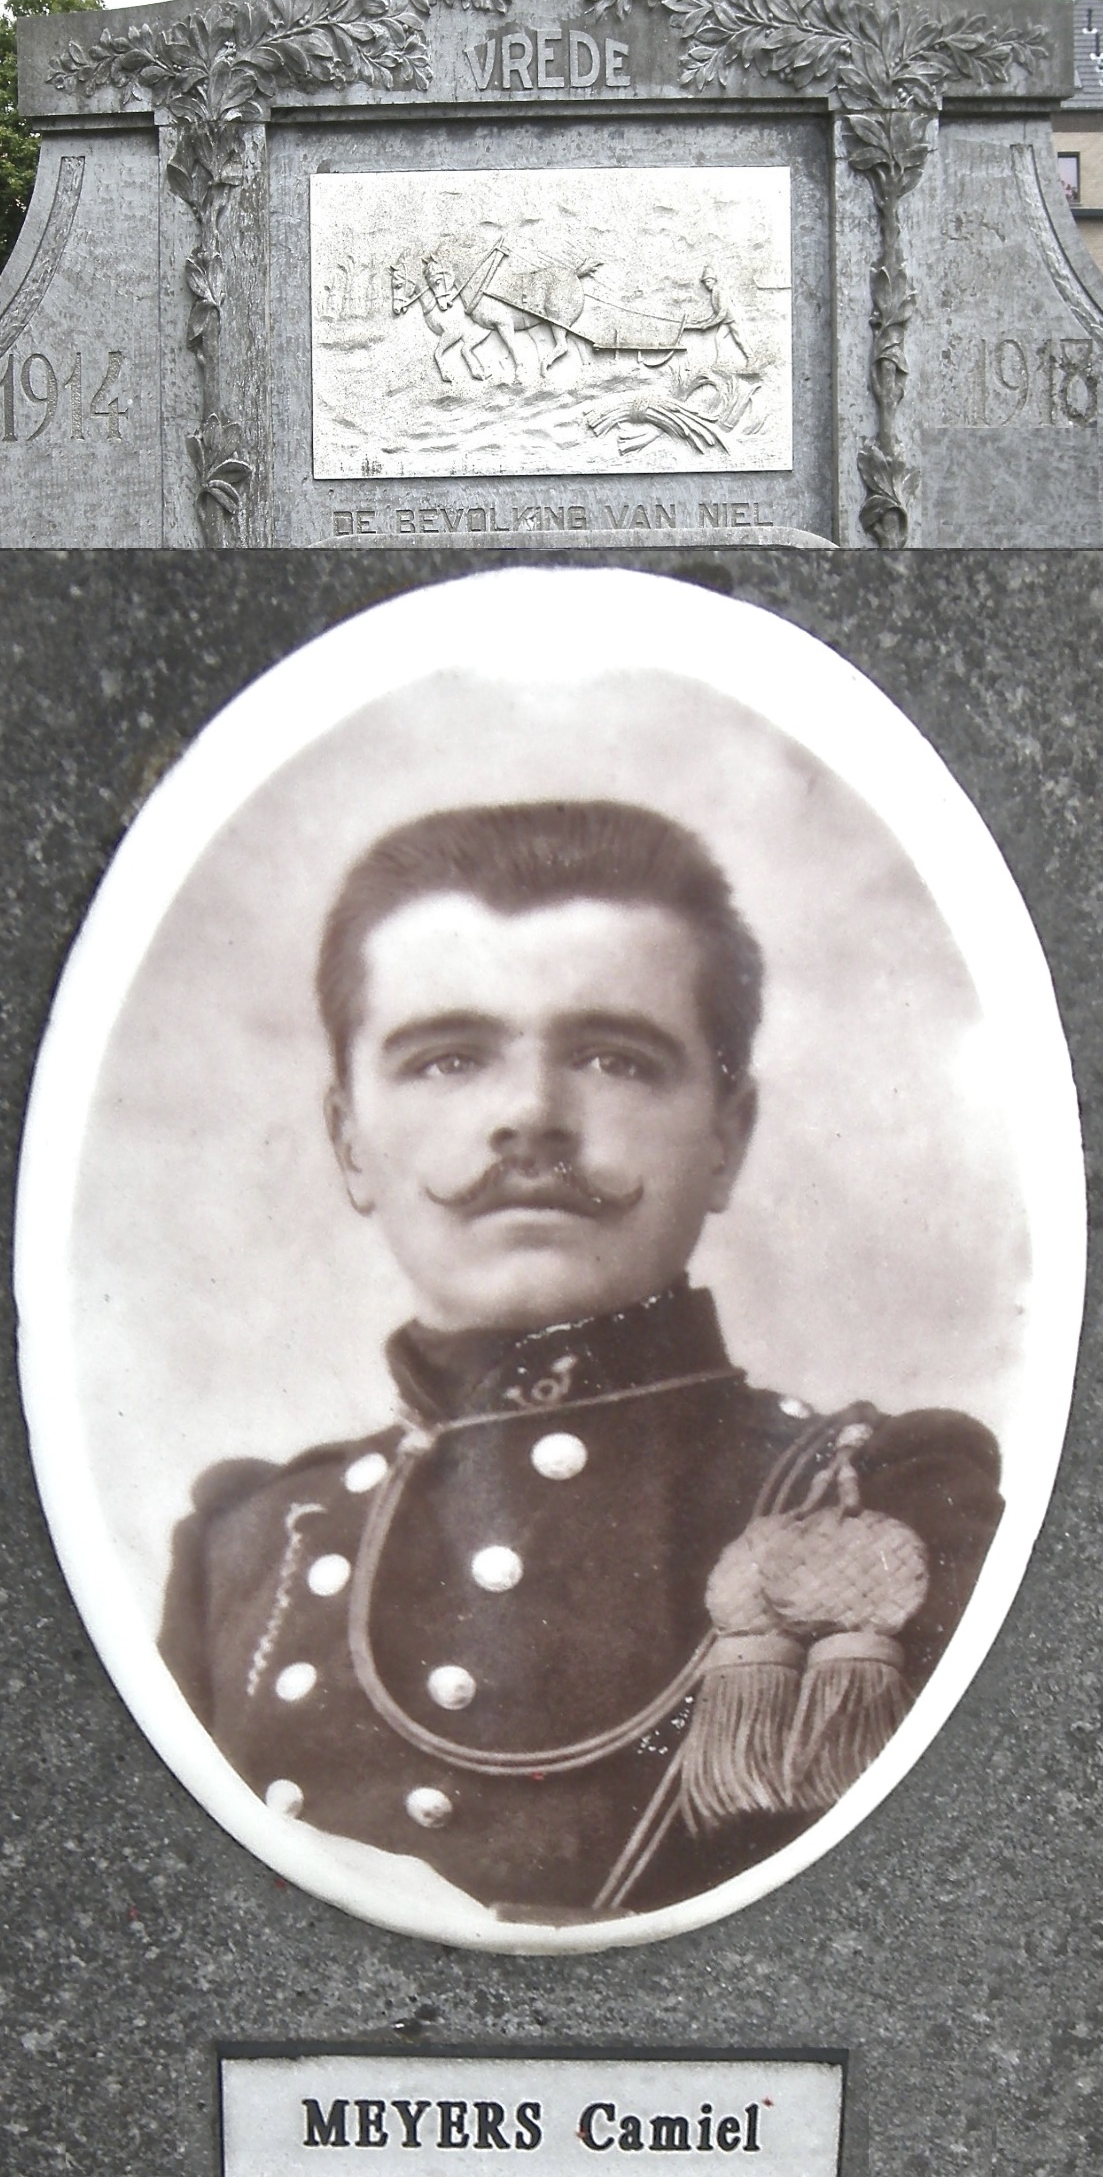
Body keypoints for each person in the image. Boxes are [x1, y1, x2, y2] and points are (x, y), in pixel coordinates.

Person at [159, 801, 1003, 1921]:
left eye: (614, 1058)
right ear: (348, 1141)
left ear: (726, 1137)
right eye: (447, 1058)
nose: (530, 1116)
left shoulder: (885, 1500)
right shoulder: (245, 1547)